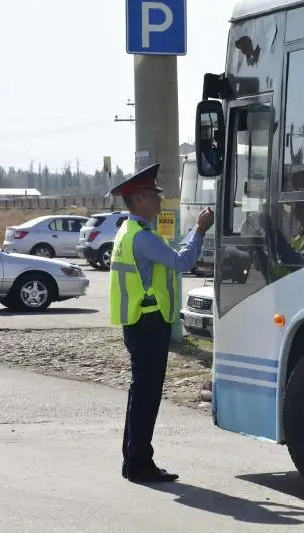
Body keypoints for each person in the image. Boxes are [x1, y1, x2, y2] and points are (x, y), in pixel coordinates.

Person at [108, 163, 214, 483]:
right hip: (147, 322)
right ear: (138, 199)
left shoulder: (133, 233)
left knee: (140, 393)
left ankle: (134, 460)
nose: (160, 200)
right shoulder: (141, 237)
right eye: (156, 195)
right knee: (146, 395)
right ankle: (139, 462)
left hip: (141, 321)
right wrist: (200, 230)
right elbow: (182, 261)